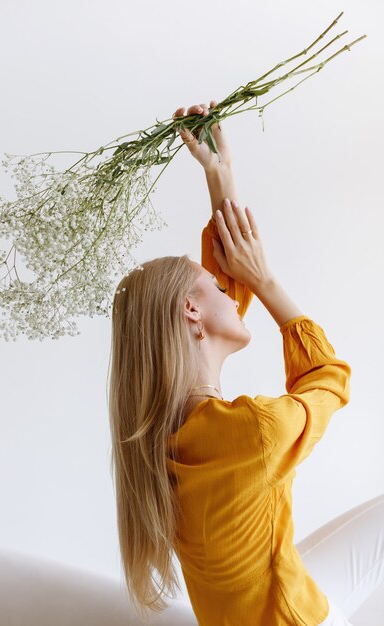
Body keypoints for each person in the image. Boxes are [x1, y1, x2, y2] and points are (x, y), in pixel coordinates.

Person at [107, 101, 383, 625]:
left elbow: (221, 290)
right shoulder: (255, 431)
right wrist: (267, 280)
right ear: (192, 310)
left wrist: (219, 176)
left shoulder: (167, 437)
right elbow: (328, 379)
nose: (232, 289)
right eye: (215, 284)